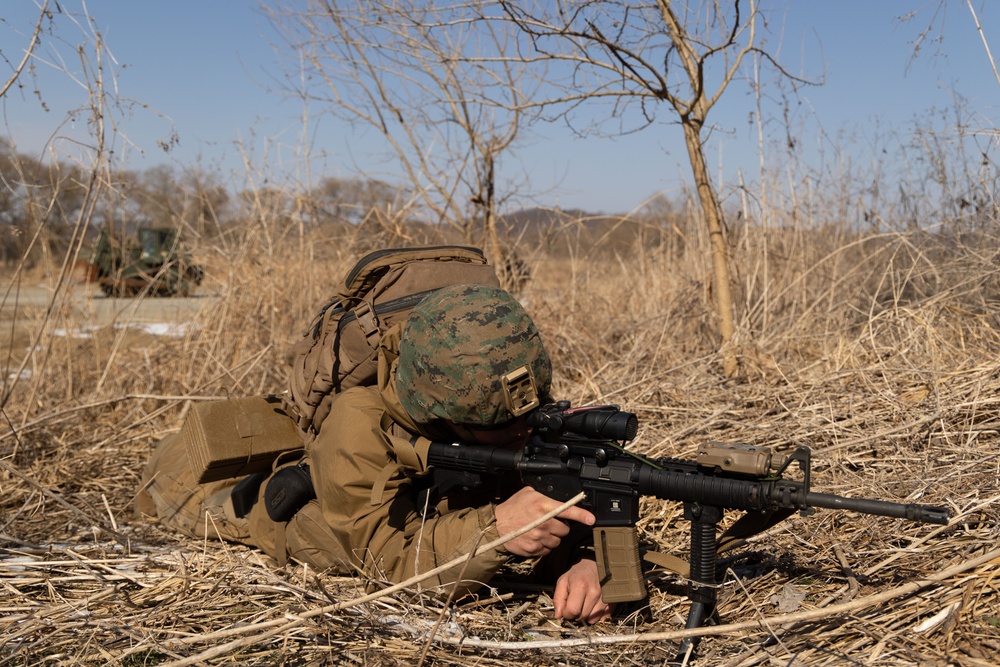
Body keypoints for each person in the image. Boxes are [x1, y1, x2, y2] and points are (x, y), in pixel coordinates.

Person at [136, 283, 612, 624]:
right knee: (215, 502)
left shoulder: (502, 399)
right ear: (442, 415)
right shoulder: (358, 424)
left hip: (371, 475)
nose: (522, 432)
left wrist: (588, 562)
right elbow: (387, 567)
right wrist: (495, 531)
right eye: (501, 427)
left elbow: (570, 502)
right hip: (208, 491)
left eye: (531, 416)